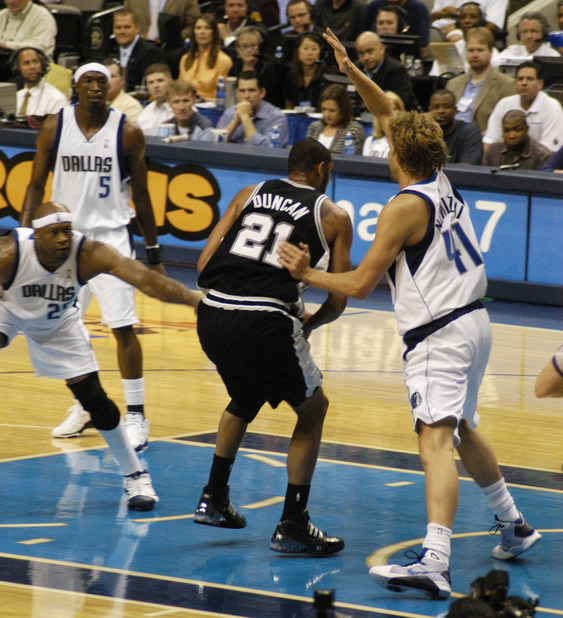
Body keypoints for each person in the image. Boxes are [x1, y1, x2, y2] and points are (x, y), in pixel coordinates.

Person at [279, 29, 541, 599]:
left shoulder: (402, 208)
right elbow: (389, 108)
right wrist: (350, 69)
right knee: (464, 427)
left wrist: (306, 274)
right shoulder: (439, 179)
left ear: (396, 154)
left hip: (439, 334)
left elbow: (363, 283)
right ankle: (513, 523)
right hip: (475, 323)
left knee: (434, 440)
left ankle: (436, 559)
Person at [194, 137, 352, 555]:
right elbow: (338, 298)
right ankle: (294, 523)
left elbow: (203, 266)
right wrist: (312, 323)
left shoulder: (250, 193)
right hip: (265, 319)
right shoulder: (333, 215)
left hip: (212, 314)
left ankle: (213, 498)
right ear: (322, 169)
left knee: (245, 395)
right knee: (314, 409)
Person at [0, 202, 200, 511]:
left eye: (66, 230)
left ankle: (136, 474)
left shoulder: (89, 254)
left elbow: (147, 281)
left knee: (94, 399)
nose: (63, 239)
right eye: (54, 233)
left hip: (59, 323)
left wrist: (194, 301)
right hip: (9, 310)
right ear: (35, 235)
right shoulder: (8, 255)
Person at [20, 62, 164, 453]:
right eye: (89, 81)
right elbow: (35, 186)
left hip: (112, 239)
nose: (96, 87)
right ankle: (85, 404)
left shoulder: (128, 131)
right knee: (68, 328)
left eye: (103, 81)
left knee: (122, 326)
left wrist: (153, 252)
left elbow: (144, 196)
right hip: (65, 239)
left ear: (111, 87)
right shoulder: (54, 126)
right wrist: (23, 236)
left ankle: (136, 414)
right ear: (76, 87)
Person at [483, 61, 563, 153]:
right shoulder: (504, 104)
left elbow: (549, 150)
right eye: (520, 79)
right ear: (515, 83)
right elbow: (490, 142)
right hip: (505, 160)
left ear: (540, 84)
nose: (524, 83)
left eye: (529, 79)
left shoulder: (552, 107)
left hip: (537, 163)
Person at [446, 27, 514, 135]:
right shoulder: (453, 84)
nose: (475, 55)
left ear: (491, 52)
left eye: (480, 50)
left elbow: (507, 124)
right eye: (471, 50)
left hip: (483, 142)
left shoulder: (506, 84)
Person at [217, 70, 289, 147]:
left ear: (262, 93)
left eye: (251, 90)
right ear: (237, 93)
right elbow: (216, 143)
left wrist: (245, 117)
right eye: (242, 91)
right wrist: (236, 122)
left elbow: (268, 149)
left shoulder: (277, 117)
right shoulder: (230, 112)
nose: (246, 96)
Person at [355, 31, 418, 111]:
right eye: (361, 53)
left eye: (370, 52)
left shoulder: (396, 70)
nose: (365, 58)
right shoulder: (355, 68)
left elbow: (399, 102)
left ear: (382, 49)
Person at [178, 14, 233, 101]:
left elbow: (224, 98)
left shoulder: (223, 60)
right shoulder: (185, 59)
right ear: (193, 32)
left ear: (214, 33)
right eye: (198, 28)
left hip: (211, 108)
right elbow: (180, 89)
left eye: (207, 28)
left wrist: (205, 100)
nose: (202, 32)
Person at [113, 8, 166, 93]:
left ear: (137, 28)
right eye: (118, 28)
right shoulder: (112, 52)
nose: (122, 31)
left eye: (127, 27)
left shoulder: (150, 52)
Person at [482, 109, 552, 170]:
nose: (511, 136)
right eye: (506, 131)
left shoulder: (542, 156)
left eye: (517, 130)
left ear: (527, 129)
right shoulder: (493, 151)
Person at [229, 26, 280, 108]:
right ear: (238, 49)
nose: (249, 50)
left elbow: (272, 100)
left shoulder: (266, 69)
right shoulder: (235, 67)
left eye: (253, 46)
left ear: (259, 48)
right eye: (245, 46)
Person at [305, 84, 365, 154]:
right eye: (324, 109)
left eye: (332, 110)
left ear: (343, 110)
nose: (327, 115)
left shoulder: (354, 130)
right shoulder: (314, 127)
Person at [428, 89, 482, 164]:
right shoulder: (423, 134)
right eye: (436, 107)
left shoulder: (470, 132)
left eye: (447, 107)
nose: (441, 111)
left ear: (455, 110)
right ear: (429, 110)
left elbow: (467, 166)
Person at [362, 0, 431, 58]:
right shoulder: (373, 6)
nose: (385, 27)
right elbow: (361, 41)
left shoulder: (417, 8)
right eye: (380, 23)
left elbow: (423, 51)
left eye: (389, 23)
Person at [15, 47, 67, 117]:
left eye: (35, 62)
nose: (32, 67)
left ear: (42, 64)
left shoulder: (56, 99)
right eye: (26, 63)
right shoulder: (17, 96)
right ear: (18, 68)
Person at [284, 31, 327, 110]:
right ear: (298, 51)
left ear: (321, 52)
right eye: (305, 48)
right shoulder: (291, 75)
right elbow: (289, 105)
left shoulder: (326, 76)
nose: (309, 53)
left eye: (314, 49)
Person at [123, 0, 201, 42]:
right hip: (139, 51)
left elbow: (194, 25)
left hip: (171, 52)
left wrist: (172, 37)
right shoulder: (131, 1)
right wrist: (136, 36)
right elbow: (124, 22)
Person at [431, 0, 508, 37]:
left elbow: (493, 25)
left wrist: (470, 38)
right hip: (437, 32)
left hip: (472, 35)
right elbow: (433, 17)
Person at [363, 90, 405, 157]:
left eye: (394, 109)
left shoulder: (407, 142)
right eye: (385, 110)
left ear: (401, 112)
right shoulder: (370, 141)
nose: (390, 114)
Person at [136, 63, 174, 136]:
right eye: (151, 82)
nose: (155, 86)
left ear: (171, 82)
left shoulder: (183, 108)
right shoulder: (146, 112)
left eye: (160, 80)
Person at [103, 58, 143, 123]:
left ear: (122, 80)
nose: (108, 81)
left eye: (112, 76)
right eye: (104, 77)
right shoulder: (90, 104)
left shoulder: (132, 106)